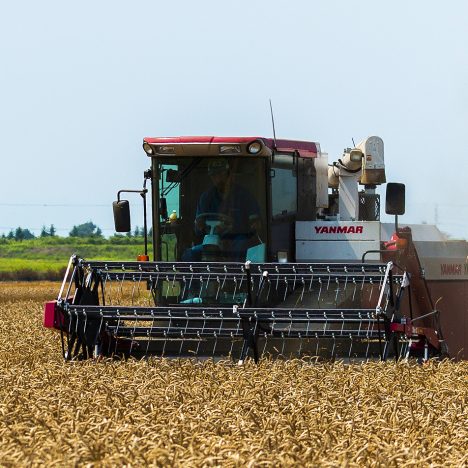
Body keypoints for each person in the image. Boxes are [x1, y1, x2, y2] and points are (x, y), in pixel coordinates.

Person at [183, 158, 262, 261]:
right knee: (189, 254)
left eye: (221, 174)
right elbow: (198, 226)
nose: (218, 178)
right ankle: (194, 277)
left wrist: (254, 224)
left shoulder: (244, 196)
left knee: (240, 246)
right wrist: (200, 225)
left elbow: (256, 223)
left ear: (228, 175)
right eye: (214, 175)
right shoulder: (206, 197)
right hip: (213, 239)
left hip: (237, 239)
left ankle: (237, 276)